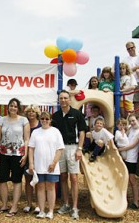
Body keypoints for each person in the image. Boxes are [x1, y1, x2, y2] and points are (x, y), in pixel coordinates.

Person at [51, 90, 86, 220]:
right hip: (59, 148)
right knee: (63, 177)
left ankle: (75, 207)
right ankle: (66, 204)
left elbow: (82, 132)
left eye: (66, 98)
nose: (63, 100)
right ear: (59, 100)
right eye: (61, 98)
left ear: (69, 100)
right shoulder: (55, 116)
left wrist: (80, 149)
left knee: (74, 178)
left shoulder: (77, 114)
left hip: (73, 147)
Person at [0, 98, 30, 217]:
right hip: (3, 154)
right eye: (11, 105)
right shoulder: (2, 120)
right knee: (2, 180)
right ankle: (4, 205)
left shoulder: (24, 120)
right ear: (8, 107)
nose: (13, 108)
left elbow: (26, 139)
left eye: (15, 106)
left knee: (16, 180)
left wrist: (25, 154)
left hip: (18, 154)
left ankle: (14, 206)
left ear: (18, 108)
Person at [28, 111, 65, 220]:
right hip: (39, 165)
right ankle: (42, 210)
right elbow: (31, 148)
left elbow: (60, 149)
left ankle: (50, 211)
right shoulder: (35, 132)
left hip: (51, 166)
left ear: (50, 120)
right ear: (40, 119)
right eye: (42, 119)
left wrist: (54, 163)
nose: (44, 121)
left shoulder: (55, 131)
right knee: (39, 187)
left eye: (47, 119)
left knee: (50, 187)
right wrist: (31, 163)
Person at [118, 114, 139, 209]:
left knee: (132, 180)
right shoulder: (130, 129)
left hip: (132, 158)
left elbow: (133, 145)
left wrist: (119, 150)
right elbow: (123, 134)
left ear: (138, 120)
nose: (132, 123)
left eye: (133, 121)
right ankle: (123, 199)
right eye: (130, 121)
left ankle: (136, 202)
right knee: (123, 179)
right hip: (125, 157)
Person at [23, 105, 41, 214]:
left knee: (38, 181)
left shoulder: (41, 124)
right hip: (27, 154)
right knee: (28, 180)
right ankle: (29, 204)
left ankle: (39, 204)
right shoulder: (24, 124)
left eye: (33, 111)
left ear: (37, 113)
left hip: (38, 155)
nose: (31, 113)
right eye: (29, 111)